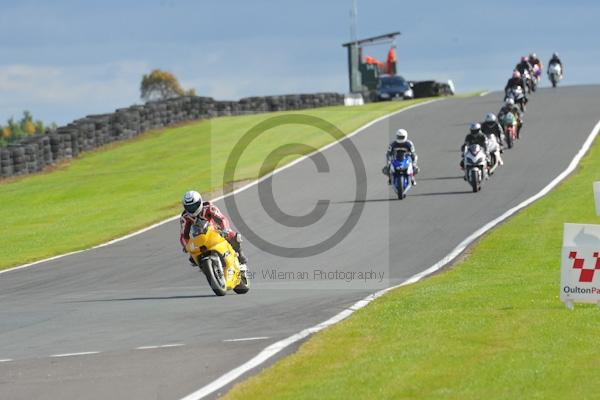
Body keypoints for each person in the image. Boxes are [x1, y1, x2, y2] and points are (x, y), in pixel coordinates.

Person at [179, 190, 248, 267]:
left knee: (233, 235)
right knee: (192, 258)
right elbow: (183, 235)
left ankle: (240, 254)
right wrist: (186, 246)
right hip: (198, 238)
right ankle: (206, 268)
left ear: (200, 202)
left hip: (215, 231)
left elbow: (222, 219)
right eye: (189, 207)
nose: (192, 209)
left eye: (194, 206)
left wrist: (225, 229)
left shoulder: (209, 207)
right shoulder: (185, 218)